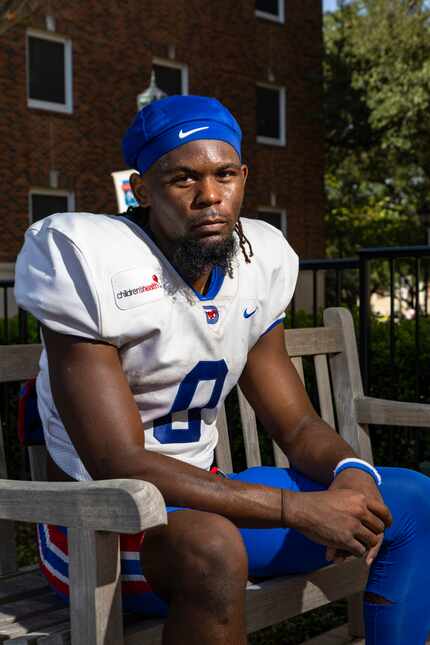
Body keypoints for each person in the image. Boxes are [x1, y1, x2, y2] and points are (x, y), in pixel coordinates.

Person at [15, 95, 430, 645]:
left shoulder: (259, 258)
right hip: (101, 524)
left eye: (224, 175)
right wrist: (296, 509)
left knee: (409, 500)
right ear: (140, 189)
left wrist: (351, 472)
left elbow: (298, 425)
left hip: (208, 498)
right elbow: (119, 461)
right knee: (213, 549)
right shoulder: (87, 257)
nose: (209, 196)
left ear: (243, 177)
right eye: (182, 179)